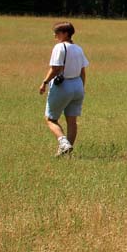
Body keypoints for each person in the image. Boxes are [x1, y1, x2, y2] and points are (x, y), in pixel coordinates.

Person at [39, 21, 89, 157]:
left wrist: (45, 82)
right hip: (78, 85)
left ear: (65, 34)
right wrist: (81, 88)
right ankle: (66, 153)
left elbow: (55, 68)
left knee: (50, 119)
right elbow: (82, 71)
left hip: (63, 85)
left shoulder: (60, 47)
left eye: (57, 32)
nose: (55, 35)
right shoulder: (78, 48)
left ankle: (63, 143)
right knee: (71, 121)